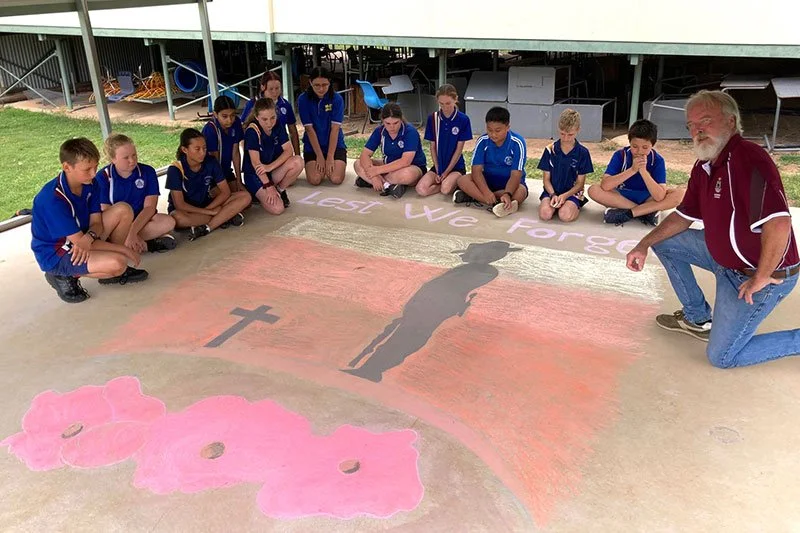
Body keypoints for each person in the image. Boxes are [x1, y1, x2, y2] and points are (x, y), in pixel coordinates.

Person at [626, 90, 799, 367]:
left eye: (705, 121)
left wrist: (762, 276)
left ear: (731, 122)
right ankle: (696, 317)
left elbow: (778, 223)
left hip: (757, 273)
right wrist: (643, 244)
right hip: (724, 260)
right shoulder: (704, 165)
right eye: (691, 125)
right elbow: (682, 216)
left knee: (722, 357)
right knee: (664, 240)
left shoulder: (748, 160)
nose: (697, 130)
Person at [31, 138, 147, 303]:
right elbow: (80, 243)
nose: (94, 174)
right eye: (87, 169)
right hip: (58, 252)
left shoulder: (90, 183)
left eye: (96, 166)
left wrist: (90, 236)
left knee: (123, 210)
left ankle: (108, 268)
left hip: (84, 237)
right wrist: (124, 250)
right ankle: (60, 274)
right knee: (118, 263)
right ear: (66, 167)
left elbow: (97, 223)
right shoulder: (52, 200)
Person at [588, 119, 684, 226]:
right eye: (635, 147)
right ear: (629, 142)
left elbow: (659, 196)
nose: (639, 151)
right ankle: (645, 212)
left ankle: (629, 213)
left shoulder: (657, 160)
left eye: (645, 147)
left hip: (648, 197)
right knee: (593, 190)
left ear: (652, 145)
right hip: (622, 196)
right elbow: (605, 186)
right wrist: (632, 170)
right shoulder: (620, 155)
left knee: (680, 194)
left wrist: (643, 172)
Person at [95, 133, 176, 254]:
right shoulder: (103, 177)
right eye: (126, 158)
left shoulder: (147, 171)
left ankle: (127, 245)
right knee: (109, 224)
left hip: (141, 221)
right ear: (113, 159)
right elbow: (106, 212)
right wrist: (129, 233)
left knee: (168, 222)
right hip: (117, 226)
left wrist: (133, 233)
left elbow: (149, 208)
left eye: (134, 155)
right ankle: (146, 245)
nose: (132, 161)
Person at [166, 128, 252, 241]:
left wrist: (210, 208)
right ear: (184, 149)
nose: (202, 152)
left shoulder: (210, 161)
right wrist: (210, 211)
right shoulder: (175, 169)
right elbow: (180, 205)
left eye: (204, 148)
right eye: (197, 149)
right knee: (176, 218)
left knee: (245, 196)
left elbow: (225, 192)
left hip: (208, 204)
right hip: (188, 211)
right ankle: (225, 217)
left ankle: (207, 227)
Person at [453, 106, 527, 218]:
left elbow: (516, 175)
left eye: (498, 130)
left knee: (521, 193)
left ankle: (476, 197)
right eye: (489, 130)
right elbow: (476, 171)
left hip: (509, 184)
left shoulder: (518, 142)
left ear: (508, 127)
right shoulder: (483, 141)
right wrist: (486, 192)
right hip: (487, 181)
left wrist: (507, 193)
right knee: (462, 180)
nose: (493, 134)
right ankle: (495, 203)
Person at [242, 98, 304, 215]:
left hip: (270, 170)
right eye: (264, 119)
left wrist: (270, 167)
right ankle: (257, 192)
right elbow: (256, 164)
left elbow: (288, 150)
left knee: (298, 161)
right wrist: (268, 186)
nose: (269, 123)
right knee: (278, 209)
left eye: (272, 118)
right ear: (256, 117)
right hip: (255, 175)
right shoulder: (252, 131)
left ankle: (280, 190)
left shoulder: (278, 125)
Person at [353, 103, 427, 199]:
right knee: (358, 163)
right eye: (387, 123)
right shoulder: (380, 131)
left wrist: (376, 171)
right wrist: (374, 175)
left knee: (408, 174)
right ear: (382, 121)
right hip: (387, 165)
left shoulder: (410, 132)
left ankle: (370, 181)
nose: (392, 127)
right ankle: (388, 185)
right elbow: (365, 154)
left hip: (411, 167)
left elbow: (405, 161)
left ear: (401, 119)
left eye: (396, 123)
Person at [415, 84, 473, 197]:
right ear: (437, 101)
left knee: (445, 189)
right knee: (420, 189)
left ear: (455, 99)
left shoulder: (463, 119)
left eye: (448, 103)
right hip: (439, 165)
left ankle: (454, 184)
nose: (445, 107)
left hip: (455, 167)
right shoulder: (433, 118)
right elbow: (432, 146)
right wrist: (438, 170)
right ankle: (442, 184)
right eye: (441, 104)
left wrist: (446, 172)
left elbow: (459, 149)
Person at [537, 108, 593, 222]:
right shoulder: (550, 150)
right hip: (552, 191)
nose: (566, 138)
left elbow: (580, 184)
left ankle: (575, 204)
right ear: (558, 129)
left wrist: (565, 196)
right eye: (562, 134)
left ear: (578, 130)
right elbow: (546, 179)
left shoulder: (583, 152)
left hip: (572, 192)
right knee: (545, 214)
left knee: (565, 215)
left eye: (570, 134)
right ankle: (556, 203)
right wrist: (553, 195)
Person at [297, 67, 347, 185]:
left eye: (325, 85)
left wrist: (329, 157)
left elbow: (335, 129)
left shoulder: (337, 99)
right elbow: (309, 129)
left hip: (334, 145)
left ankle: (337, 161)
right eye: (317, 85)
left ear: (330, 82)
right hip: (313, 146)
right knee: (315, 179)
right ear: (310, 82)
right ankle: (318, 163)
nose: (321, 88)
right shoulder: (303, 99)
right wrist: (319, 156)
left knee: (336, 178)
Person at [240, 71, 300, 156]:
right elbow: (243, 128)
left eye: (277, 88)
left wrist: (297, 154)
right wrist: (248, 153)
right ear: (262, 87)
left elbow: (293, 131)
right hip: (259, 151)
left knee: (296, 163)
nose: (275, 92)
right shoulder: (252, 104)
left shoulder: (285, 105)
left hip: (280, 149)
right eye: (271, 89)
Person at [202, 95, 244, 192]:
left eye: (232, 115)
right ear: (215, 114)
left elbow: (236, 153)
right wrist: (223, 185)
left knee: (246, 198)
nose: (229, 120)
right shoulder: (211, 130)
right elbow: (214, 161)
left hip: (226, 171)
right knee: (226, 196)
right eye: (224, 116)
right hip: (211, 175)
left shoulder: (236, 123)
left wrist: (239, 180)